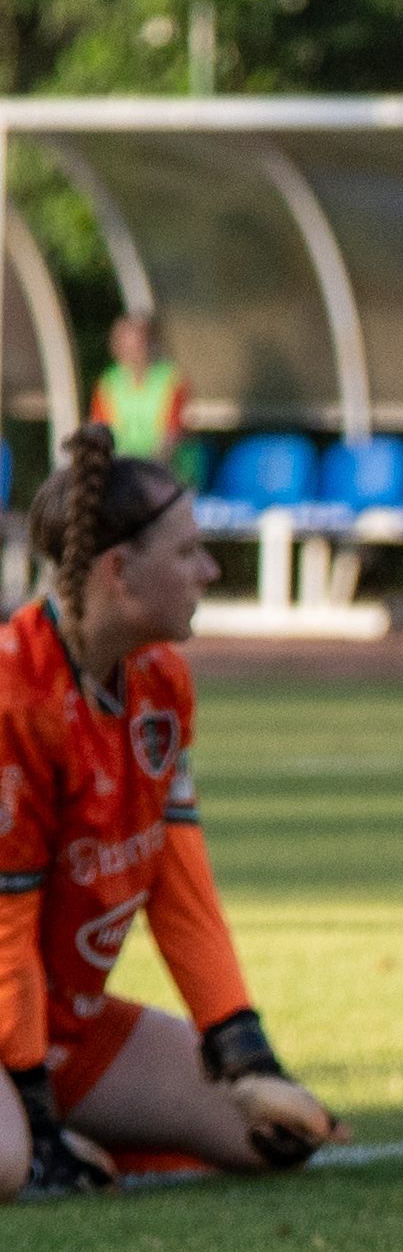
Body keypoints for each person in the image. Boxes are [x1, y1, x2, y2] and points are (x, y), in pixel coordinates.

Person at [1, 428, 344, 1199]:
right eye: (188, 551)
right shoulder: (14, 695)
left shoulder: (161, 684)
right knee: (7, 1160)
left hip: (61, 1020)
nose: (209, 570)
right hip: (8, 1013)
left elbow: (180, 883)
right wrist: (34, 1110)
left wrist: (241, 1047)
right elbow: (6, 928)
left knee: (273, 1133)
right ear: (119, 571)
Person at [88, 311, 188, 471]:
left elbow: (173, 434)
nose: (133, 353)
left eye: (139, 345)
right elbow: (100, 433)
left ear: (151, 343)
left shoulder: (171, 379)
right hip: (121, 469)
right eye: (127, 347)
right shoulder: (108, 382)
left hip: (167, 469)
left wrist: (148, 470)